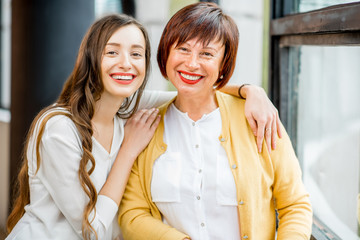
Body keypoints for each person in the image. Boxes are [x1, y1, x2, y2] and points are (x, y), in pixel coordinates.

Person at [6, 13, 281, 240]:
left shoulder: (128, 110)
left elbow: (194, 91)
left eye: (136, 54)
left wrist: (251, 91)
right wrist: (128, 150)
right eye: (112, 52)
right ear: (92, 58)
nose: (126, 63)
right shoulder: (59, 128)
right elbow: (92, 231)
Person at [118, 2, 313, 240]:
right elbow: (132, 214)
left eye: (207, 54)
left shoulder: (258, 117)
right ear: (166, 53)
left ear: (223, 65)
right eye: (183, 49)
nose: (191, 63)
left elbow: (295, 205)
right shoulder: (145, 126)